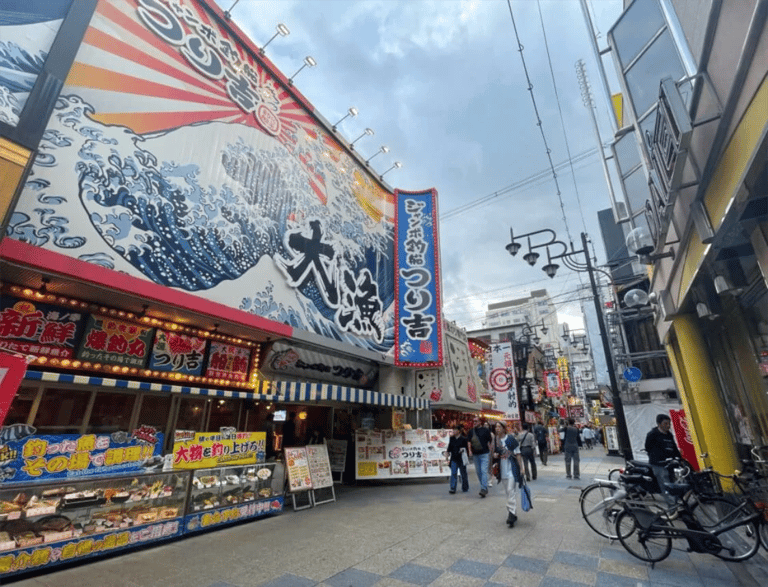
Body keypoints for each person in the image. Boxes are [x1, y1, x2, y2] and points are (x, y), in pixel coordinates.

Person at [645, 413, 683, 504]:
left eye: (669, 424)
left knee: (673, 485)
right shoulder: (652, 434)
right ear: (659, 424)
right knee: (666, 487)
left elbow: (673, 448)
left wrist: (679, 459)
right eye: (665, 423)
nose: (668, 426)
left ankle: (676, 505)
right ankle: (672, 509)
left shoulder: (669, 435)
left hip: (669, 464)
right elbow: (648, 448)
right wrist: (657, 456)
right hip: (658, 465)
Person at [494, 421, 524, 527]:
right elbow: (494, 454)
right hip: (502, 470)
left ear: (503, 428)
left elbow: (518, 454)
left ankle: (511, 515)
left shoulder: (510, 439)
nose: (497, 428)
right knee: (508, 492)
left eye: (499, 426)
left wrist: (521, 468)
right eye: (496, 427)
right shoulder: (496, 441)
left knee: (511, 490)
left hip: (512, 469)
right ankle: (513, 513)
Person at [467, 416, 493, 497]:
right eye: (473, 421)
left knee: (483, 471)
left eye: (476, 421)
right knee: (478, 472)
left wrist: (491, 451)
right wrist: (470, 451)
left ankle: (483, 488)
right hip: (475, 455)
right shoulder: (471, 431)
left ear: (480, 422)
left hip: (485, 454)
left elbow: (490, 441)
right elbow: (469, 442)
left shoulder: (486, 430)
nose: (474, 423)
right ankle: (484, 487)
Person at [446, 424, 469, 494]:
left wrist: (462, 450)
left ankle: (465, 487)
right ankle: (453, 488)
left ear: (459, 431)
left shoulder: (463, 439)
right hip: (454, 458)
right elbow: (449, 447)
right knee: (453, 473)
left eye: (455, 430)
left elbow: (466, 449)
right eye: (453, 430)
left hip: (461, 458)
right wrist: (447, 453)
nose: (454, 431)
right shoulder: (452, 438)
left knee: (463, 473)